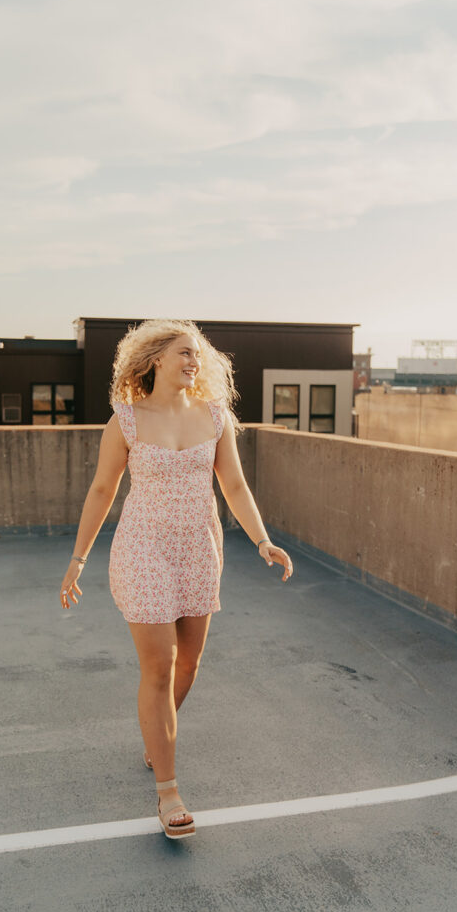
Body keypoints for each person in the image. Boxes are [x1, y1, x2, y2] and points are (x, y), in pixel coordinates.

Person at [59, 318, 294, 840]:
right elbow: (101, 491)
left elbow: (233, 483)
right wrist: (78, 560)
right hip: (143, 548)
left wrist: (262, 540)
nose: (194, 362)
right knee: (160, 667)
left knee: (189, 662)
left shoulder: (216, 417)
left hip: (199, 547)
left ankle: (154, 737)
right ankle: (168, 791)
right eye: (184, 353)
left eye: (198, 355)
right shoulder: (125, 421)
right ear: (155, 360)